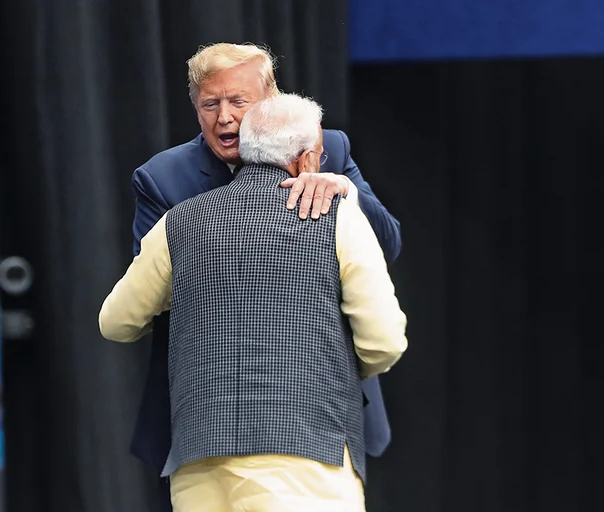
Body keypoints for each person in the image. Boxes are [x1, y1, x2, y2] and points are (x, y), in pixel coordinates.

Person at [101, 93, 408, 511]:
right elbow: (384, 341)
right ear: (307, 161)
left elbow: (115, 321)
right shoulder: (338, 216)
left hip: (199, 458)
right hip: (307, 453)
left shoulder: (178, 222)